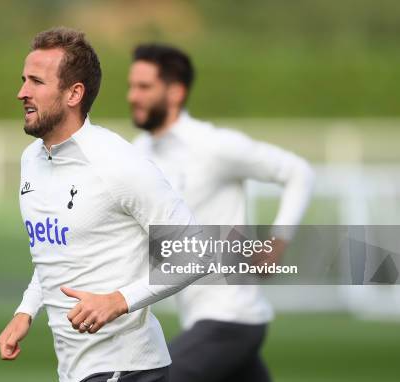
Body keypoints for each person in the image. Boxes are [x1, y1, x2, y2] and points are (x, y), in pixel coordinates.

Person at [0, 28, 206, 382]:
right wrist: (26, 310)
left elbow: (197, 251)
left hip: (126, 369)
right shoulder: (31, 160)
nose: (22, 93)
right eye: (23, 80)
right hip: (79, 371)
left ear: (74, 93)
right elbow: (58, 250)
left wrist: (119, 300)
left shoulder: (118, 163)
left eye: (36, 82)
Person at [127, 43, 315, 382]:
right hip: (205, 322)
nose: (133, 96)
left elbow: (298, 171)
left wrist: (279, 240)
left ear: (176, 92)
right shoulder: (137, 154)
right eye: (131, 86)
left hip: (230, 319)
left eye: (144, 87)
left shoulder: (213, 146)